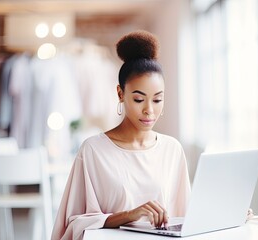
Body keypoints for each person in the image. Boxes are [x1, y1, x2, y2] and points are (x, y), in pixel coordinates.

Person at [51, 30, 191, 240]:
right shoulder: (93, 150)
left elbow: (186, 217)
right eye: (138, 99)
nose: (149, 110)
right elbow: (74, 223)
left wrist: (225, 215)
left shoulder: (172, 149)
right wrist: (129, 215)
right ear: (120, 94)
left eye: (157, 99)